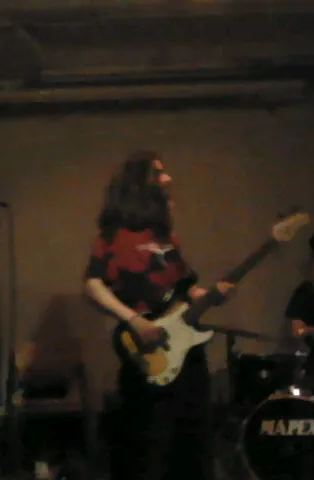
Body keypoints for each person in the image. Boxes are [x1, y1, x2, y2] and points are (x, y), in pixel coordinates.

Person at [83, 150, 235, 480]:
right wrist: (133, 320)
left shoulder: (169, 238)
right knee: (150, 447)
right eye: (159, 172)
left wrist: (212, 295)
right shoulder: (112, 236)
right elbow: (93, 284)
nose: (168, 179)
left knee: (194, 443)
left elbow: (185, 291)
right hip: (147, 351)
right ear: (140, 184)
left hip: (188, 354)